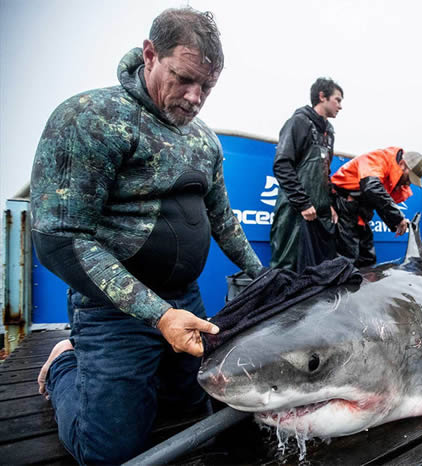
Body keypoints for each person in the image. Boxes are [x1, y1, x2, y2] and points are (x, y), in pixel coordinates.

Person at [31, 8, 263, 464]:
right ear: (150, 54)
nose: (195, 97)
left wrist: (266, 275)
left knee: (196, 411)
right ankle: (64, 361)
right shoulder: (90, 118)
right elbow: (62, 237)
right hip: (113, 310)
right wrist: (156, 315)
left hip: (186, 302)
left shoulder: (205, 141)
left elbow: (223, 220)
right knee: (109, 452)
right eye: (183, 78)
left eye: (207, 87)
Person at [269, 77, 343, 272]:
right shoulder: (298, 122)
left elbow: (325, 171)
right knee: (287, 271)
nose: (340, 106)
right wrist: (303, 203)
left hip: (320, 215)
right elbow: (282, 165)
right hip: (295, 213)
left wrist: (329, 204)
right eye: (338, 99)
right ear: (322, 96)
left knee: (321, 272)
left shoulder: (330, 132)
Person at [331, 147, 422, 266]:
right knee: (347, 259)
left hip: (359, 212)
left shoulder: (392, 176)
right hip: (342, 205)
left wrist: (396, 222)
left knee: (368, 258)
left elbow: (379, 201)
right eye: (410, 178)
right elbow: (372, 188)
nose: (409, 183)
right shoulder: (379, 159)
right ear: (403, 164)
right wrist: (398, 217)